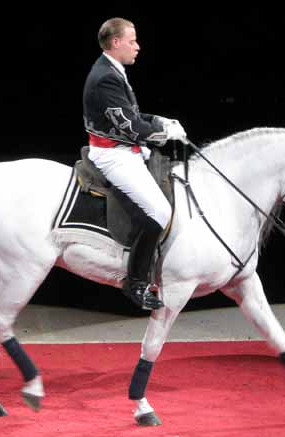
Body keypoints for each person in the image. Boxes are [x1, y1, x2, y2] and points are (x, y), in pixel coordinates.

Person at [83, 17, 187, 310]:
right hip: (113, 155)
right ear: (115, 43)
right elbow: (128, 125)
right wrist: (165, 133)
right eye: (132, 41)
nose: (137, 47)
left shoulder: (113, 70)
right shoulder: (105, 77)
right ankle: (136, 282)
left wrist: (158, 120)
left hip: (128, 148)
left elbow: (131, 114)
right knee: (159, 212)